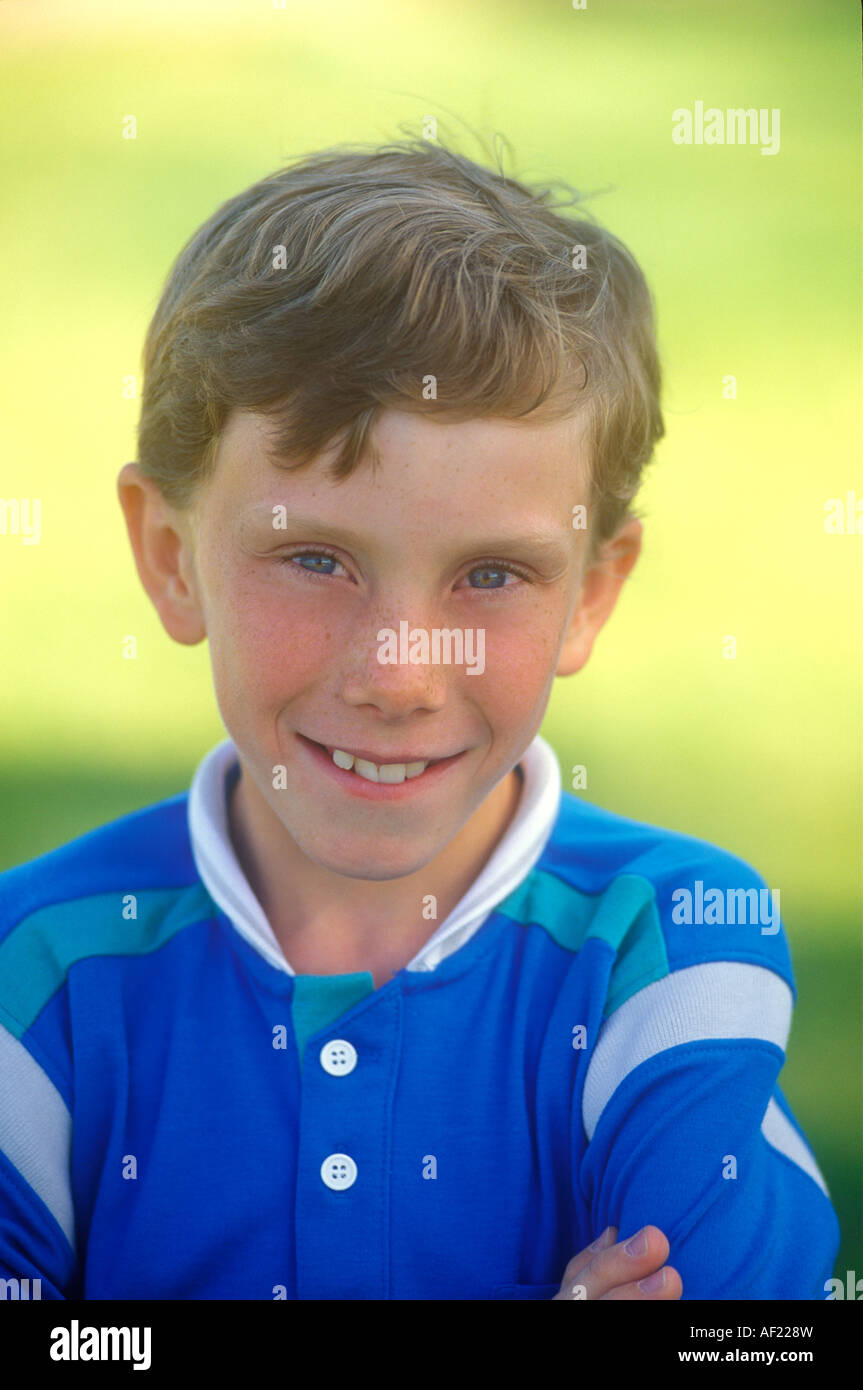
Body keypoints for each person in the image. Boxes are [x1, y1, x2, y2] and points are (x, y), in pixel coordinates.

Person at [0, 139, 839, 1300]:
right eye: (314, 558)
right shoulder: (32, 976)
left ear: (589, 592)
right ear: (170, 555)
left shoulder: (672, 946)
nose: (399, 672)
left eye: (492, 575)